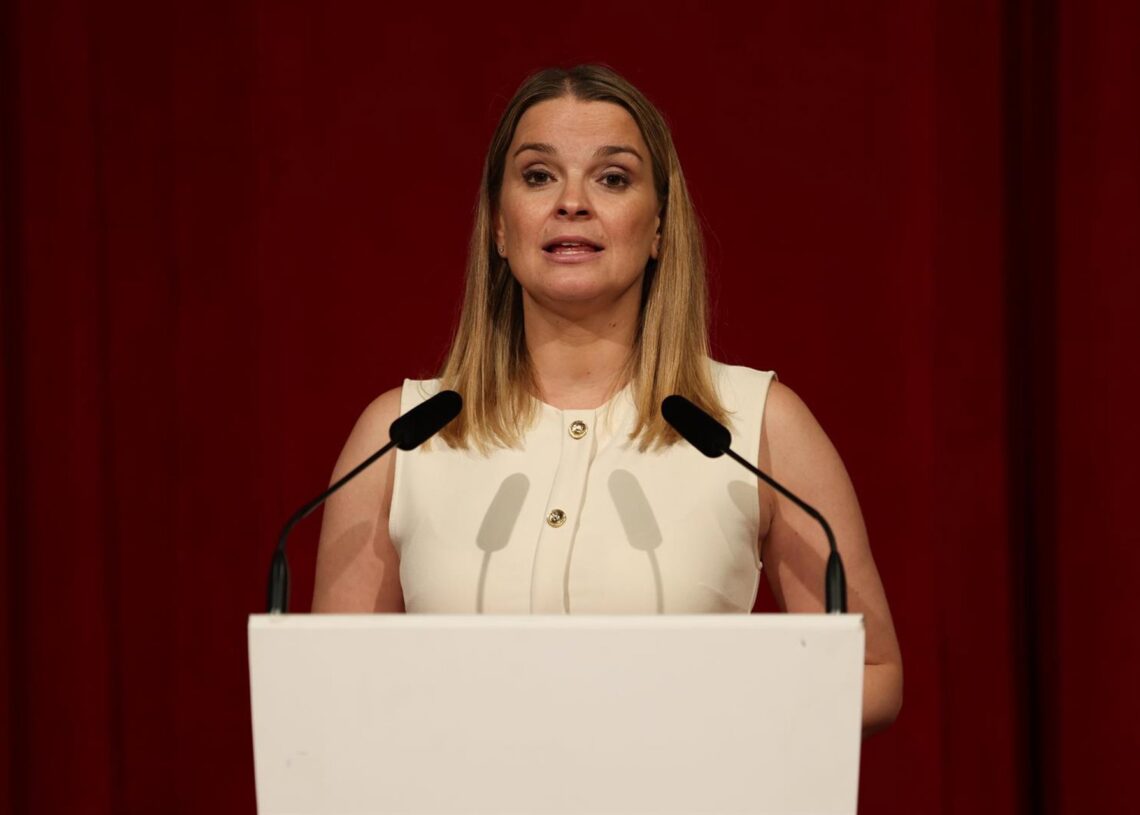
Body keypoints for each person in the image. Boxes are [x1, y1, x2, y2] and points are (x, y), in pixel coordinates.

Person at [311, 65, 902, 735]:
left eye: (612, 178)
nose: (572, 202)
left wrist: (709, 718)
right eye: (538, 176)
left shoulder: (751, 424)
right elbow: (330, 693)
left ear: (657, 228)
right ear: (500, 228)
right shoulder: (401, 437)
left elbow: (871, 673)